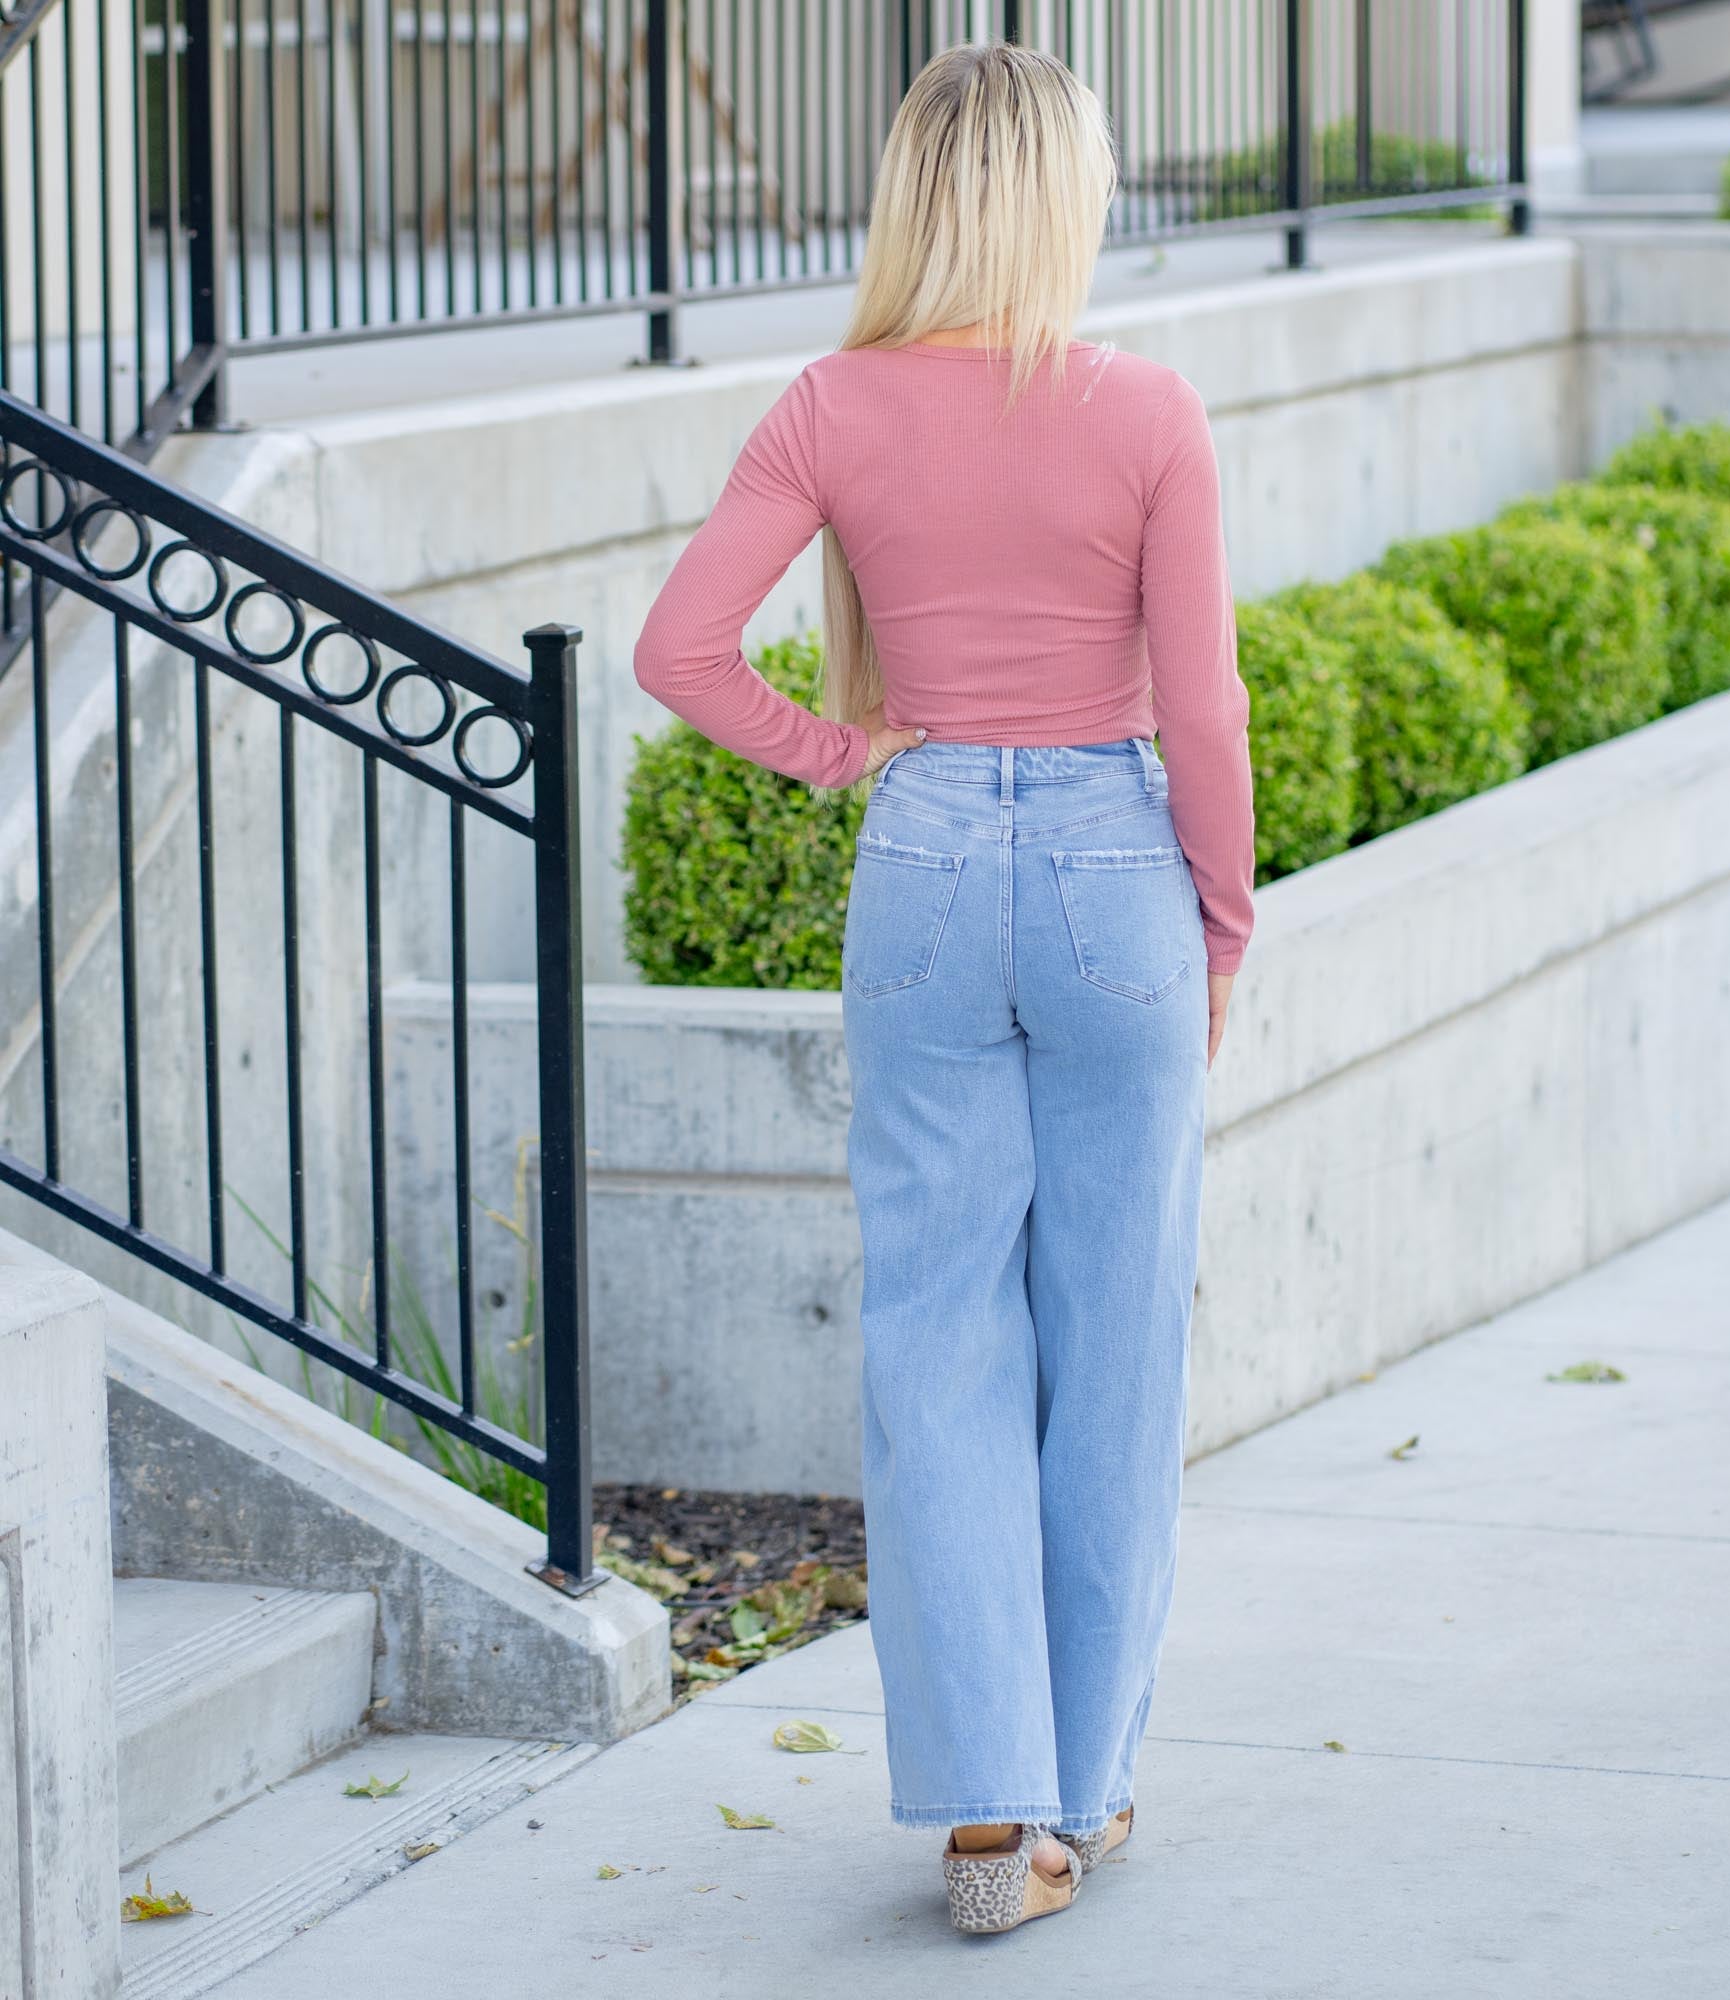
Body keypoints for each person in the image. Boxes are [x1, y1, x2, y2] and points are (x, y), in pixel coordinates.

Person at [631, 39, 1254, 1936]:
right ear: (1066, 200)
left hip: (919, 872)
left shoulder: (831, 404)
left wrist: (848, 755)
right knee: (1118, 1340)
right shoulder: (1146, 409)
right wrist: (1222, 923)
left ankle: (991, 1822)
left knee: (938, 1340)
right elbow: (1204, 707)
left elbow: (680, 652)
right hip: (1112, 876)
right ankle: (1084, 1788)